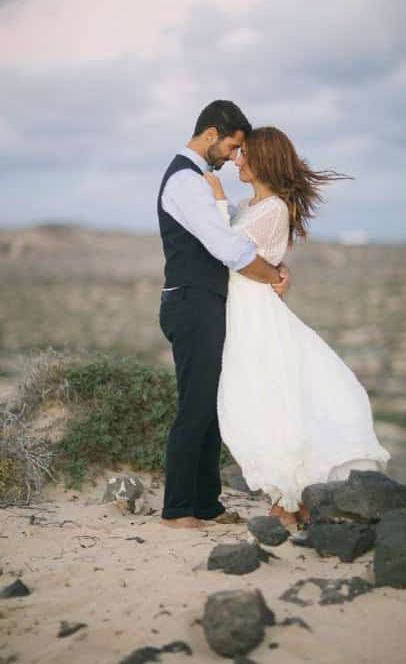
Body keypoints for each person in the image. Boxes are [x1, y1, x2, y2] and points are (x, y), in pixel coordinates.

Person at [206, 126, 390, 526]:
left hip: (256, 312)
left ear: (264, 159)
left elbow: (229, 250)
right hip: (243, 310)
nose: (237, 160)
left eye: (244, 154)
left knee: (271, 401)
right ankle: (287, 499)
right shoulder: (250, 206)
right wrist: (276, 269)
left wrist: (217, 200)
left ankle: (290, 498)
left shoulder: (271, 210)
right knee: (258, 400)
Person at [157, 100, 291, 529]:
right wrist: (272, 274)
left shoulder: (198, 180)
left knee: (210, 405)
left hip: (205, 301)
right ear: (211, 134)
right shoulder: (185, 182)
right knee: (196, 406)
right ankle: (179, 510)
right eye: (233, 147)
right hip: (192, 301)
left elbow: (234, 235)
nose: (236, 157)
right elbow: (228, 247)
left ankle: (206, 503)